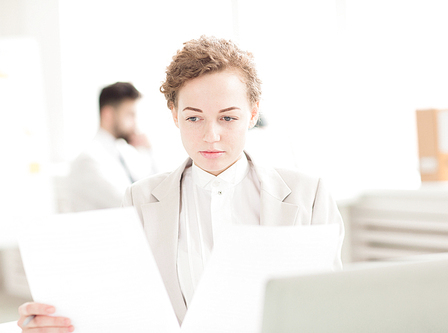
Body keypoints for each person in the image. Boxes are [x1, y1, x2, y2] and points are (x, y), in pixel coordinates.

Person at [17, 36, 344, 332]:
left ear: (253, 113)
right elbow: (123, 310)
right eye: (193, 117)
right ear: (174, 115)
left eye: (228, 117)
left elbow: (330, 308)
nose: (210, 135)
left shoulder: (308, 195)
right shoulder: (139, 199)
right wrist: (61, 322)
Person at [64, 82, 156, 212]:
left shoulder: (122, 153)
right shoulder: (89, 160)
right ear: (108, 114)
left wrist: (147, 151)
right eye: (130, 115)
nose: (135, 123)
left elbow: (153, 190)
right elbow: (130, 205)